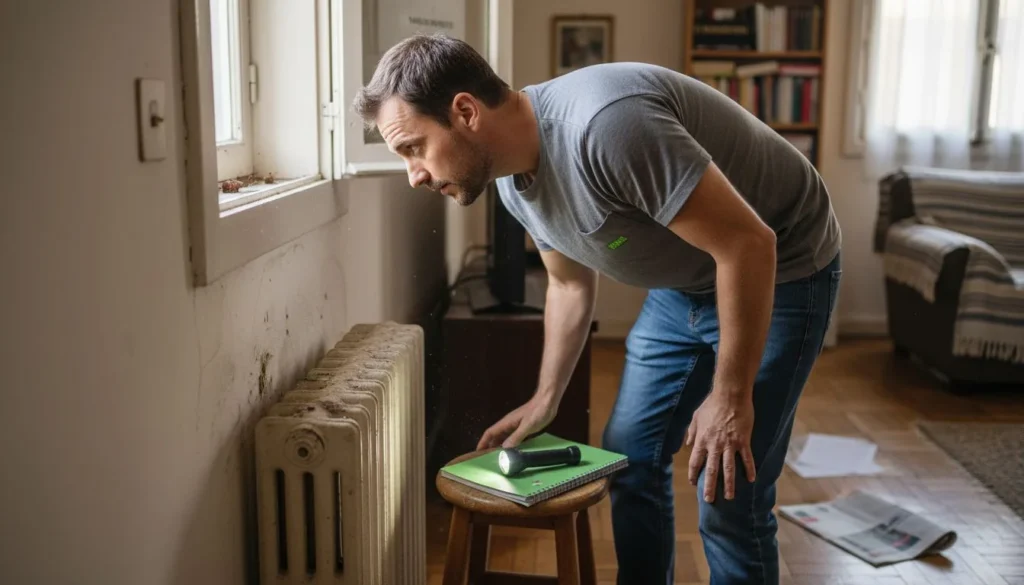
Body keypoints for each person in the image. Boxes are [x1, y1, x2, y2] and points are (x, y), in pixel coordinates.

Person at [354, 34, 842, 585]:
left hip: (782, 270)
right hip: (686, 282)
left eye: (413, 147)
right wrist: (545, 398)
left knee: (729, 491)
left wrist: (729, 397)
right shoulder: (514, 184)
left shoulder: (607, 127)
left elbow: (747, 246)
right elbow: (567, 286)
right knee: (630, 458)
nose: (414, 174)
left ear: (465, 111)